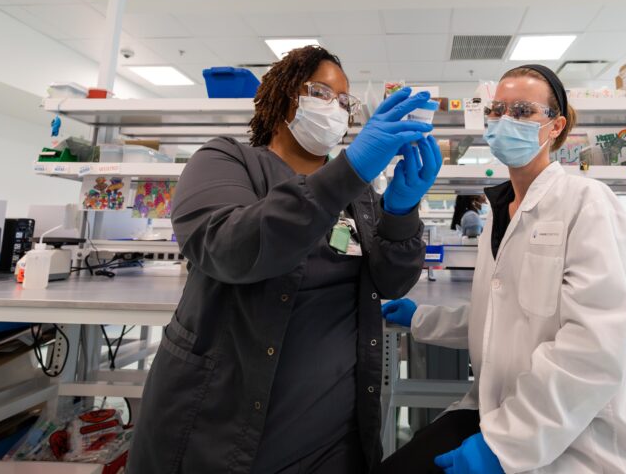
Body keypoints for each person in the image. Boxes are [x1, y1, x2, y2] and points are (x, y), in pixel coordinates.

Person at [128, 46, 443, 473]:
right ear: (282, 96)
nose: (337, 109)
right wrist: (348, 170)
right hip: (226, 425)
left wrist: (402, 212)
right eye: (322, 93)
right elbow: (229, 249)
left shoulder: (359, 194)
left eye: (345, 101)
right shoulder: (226, 160)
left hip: (334, 432)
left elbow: (392, 280)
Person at [378, 64, 626, 473]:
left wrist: (505, 446)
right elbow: (507, 318)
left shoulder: (586, 201)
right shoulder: (501, 212)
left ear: (555, 126)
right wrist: (423, 319)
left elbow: (594, 346)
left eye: (521, 111)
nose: (503, 120)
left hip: (583, 439)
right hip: (506, 410)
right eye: (496, 110)